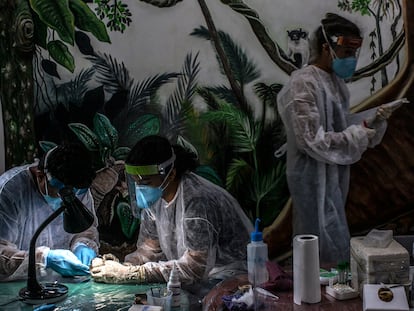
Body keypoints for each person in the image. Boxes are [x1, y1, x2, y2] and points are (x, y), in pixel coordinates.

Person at [277, 13, 398, 265]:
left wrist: (372, 120)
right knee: (316, 240)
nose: (350, 60)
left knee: (333, 233)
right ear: (326, 48)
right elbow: (311, 140)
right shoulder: (302, 83)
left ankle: (333, 291)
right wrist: (357, 134)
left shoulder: (335, 82)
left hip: (332, 176)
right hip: (310, 176)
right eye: (345, 52)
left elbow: (340, 126)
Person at [90, 135, 253, 292]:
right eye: (136, 182)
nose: (140, 188)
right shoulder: (156, 199)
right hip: (194, 281)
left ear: (171, 174)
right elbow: (150, 249)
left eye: (145, 182)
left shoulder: (197, 201)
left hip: (230, 280)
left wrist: (135, 274)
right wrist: (126, 267)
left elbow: (195, 266)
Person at [0, 142, 99, 281]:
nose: (71, 198)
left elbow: (86, 231)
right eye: (63, 192)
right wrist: (44, 259)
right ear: (41, 176)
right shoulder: (10, 192)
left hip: (62, 285)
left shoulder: (77, 187)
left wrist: (83, 244)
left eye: (78, 193)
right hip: (16, 287)